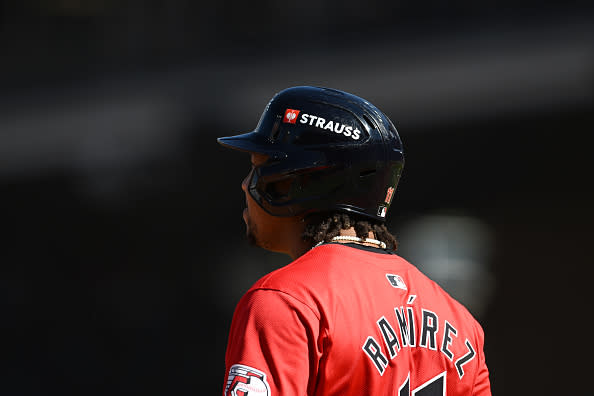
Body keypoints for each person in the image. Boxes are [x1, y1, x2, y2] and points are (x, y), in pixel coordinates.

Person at [217, 86, 491, 396]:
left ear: (292, 183)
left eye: (258, 166)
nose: (244, 184)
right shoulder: (461, 322)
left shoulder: (286, 299)